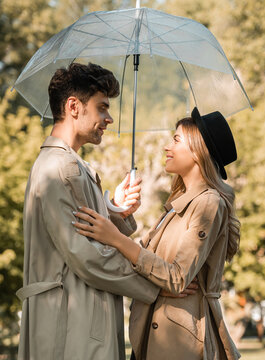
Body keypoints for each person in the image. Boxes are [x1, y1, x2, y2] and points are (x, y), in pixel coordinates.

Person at [17, 63, 196, 360]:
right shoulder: (60, 168)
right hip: (69, 328)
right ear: (74, 106)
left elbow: (87, 234)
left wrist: (116, 212)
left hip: (81, 318)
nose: (109, 119)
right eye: (102, 108)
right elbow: (86, 257)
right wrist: (157, 287)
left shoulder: (71, 165)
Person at [73, 107, 242, 360]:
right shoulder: (178, 204)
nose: (167, 147)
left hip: (180, 343)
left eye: (176, 140)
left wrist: (115, 238)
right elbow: (145, 262)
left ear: (198, 151)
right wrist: (118, 213)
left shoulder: (209, 203)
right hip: (154, 335)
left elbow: (175, 278)